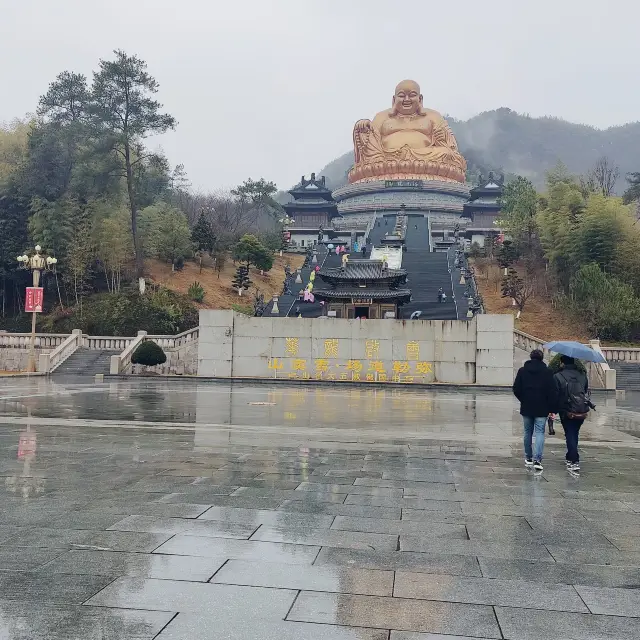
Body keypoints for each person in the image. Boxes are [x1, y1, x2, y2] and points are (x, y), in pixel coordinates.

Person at [512, 349, 556, 471]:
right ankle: (538, 459)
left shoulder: (522, 371)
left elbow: (516, 388)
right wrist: (552, 408)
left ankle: (528, 457)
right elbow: (552, 391)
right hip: (542, 407)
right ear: (542, 359)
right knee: (540, 432)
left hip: (527, 406)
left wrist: (523, 399)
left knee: (527, 432)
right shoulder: (548, 372)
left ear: (531, 357)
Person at [553, 355, 590, 473]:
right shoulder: (582, 375)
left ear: (562, 363)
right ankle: (570, 456)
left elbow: (556, 395)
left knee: (569, 433)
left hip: (566, 410)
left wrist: (553, 410)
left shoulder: (558, 376)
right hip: (581, 409)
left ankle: (574, 460)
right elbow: (585, 390)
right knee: (574, 432)